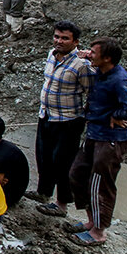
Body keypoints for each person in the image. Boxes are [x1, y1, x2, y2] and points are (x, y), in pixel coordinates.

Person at [66, 37, 127, 246]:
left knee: (100, 184)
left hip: (110, 140)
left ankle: (99, 232)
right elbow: (89, 60)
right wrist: (86, 56)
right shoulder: (101, 71)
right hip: (94, 134)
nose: (89, 54)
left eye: (93, 52)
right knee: (77, 174)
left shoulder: (118, 80)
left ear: (107, 58)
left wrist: (117, 115)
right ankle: (92, 221)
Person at [33, 21, 95, 217]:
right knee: (43, 157)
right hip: (46, 115)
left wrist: (87, 116)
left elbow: (92, 93)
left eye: (65, 38)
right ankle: (43, 193)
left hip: (68, 121)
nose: (59, 41)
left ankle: (62, 204)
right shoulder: (51, 55)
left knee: (63, 162)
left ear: (75, 42)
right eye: (57, 36)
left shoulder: (82, 65)